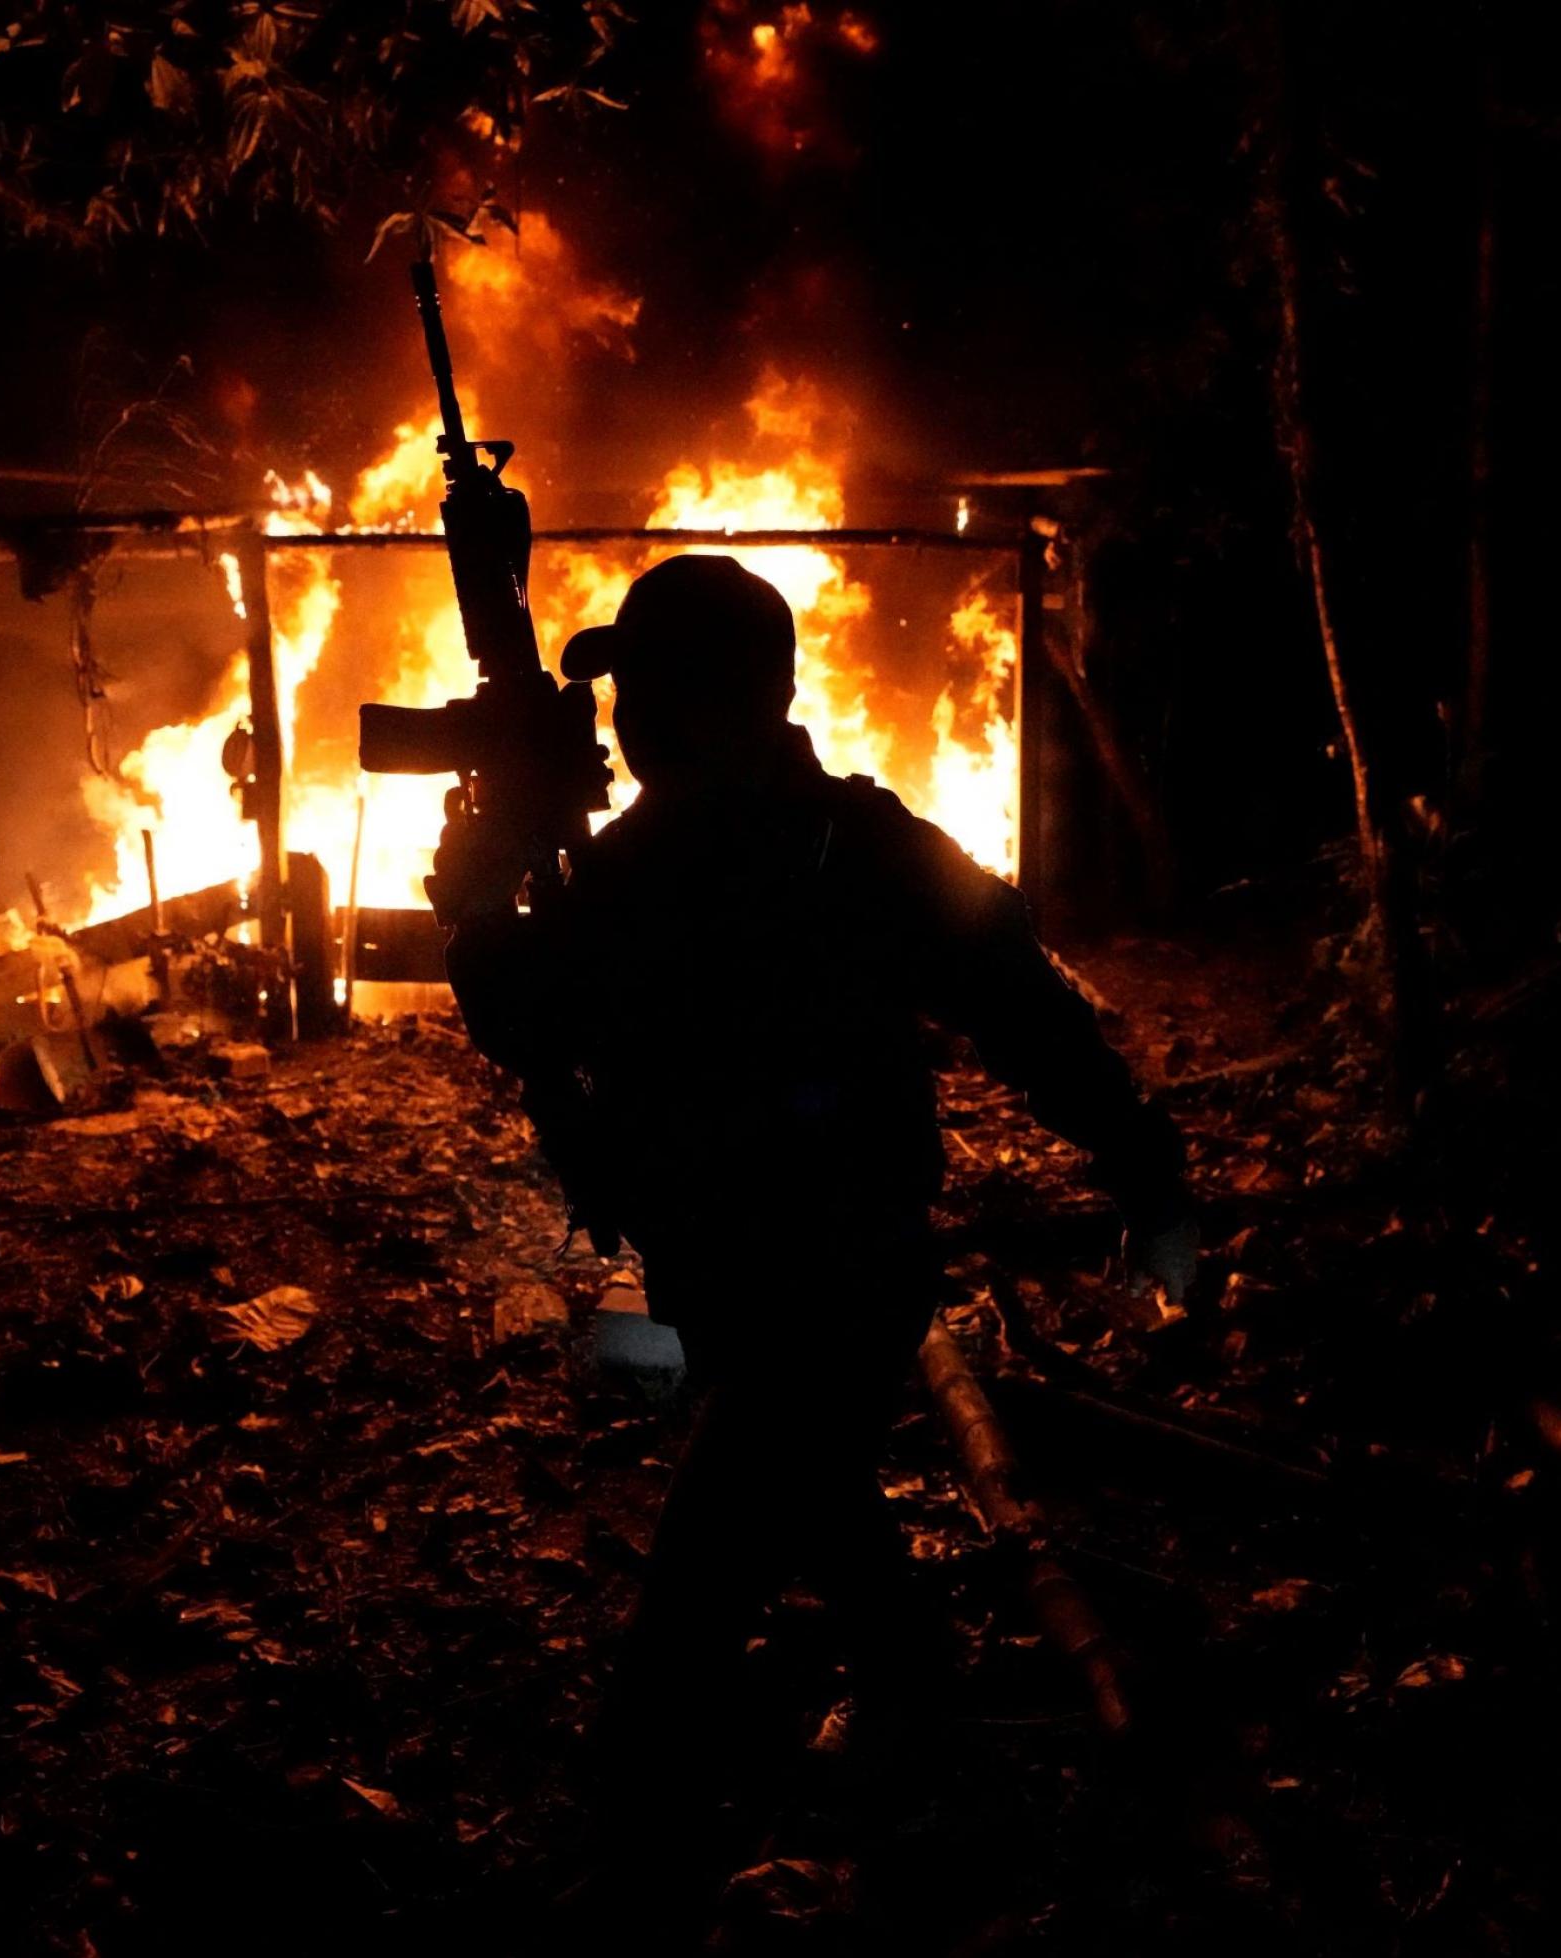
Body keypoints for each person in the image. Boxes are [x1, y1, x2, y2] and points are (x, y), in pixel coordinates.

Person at [429, 552, 1195, 1908]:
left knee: (690, 1616)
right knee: (816, 1492)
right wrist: (1143, 1165)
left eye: (639, 692)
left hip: (815, 1290)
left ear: (678, 702)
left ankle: (640, 1857)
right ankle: (920, 1698)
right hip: (774, 1276)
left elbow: (523, 1012)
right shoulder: (825, 844)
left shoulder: (660, 868)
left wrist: (481, 905)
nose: (620, 721)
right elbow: (1026, 1004)